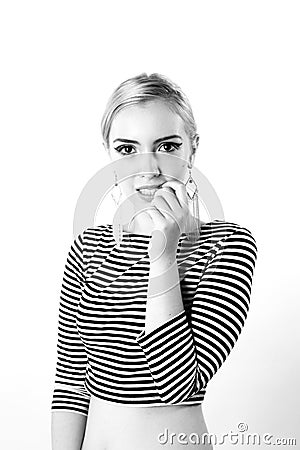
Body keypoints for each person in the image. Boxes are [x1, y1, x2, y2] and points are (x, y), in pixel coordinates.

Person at [51, 73, 258, 450]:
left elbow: (175, 384)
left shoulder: (228, 244)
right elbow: (70, 384)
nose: (148, 169)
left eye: (166, 146)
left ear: (192, 150)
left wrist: (163, 254)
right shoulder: (86, 248)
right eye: (128, 149)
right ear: (109, 155)